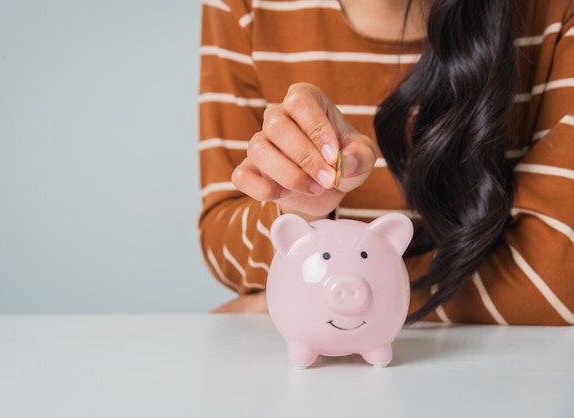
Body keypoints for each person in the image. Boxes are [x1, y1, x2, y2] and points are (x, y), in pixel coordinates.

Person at [197, 0, 574, 325]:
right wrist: (299, 211)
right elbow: (222, 238)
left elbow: (556, 281)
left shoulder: (557, 11)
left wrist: (311, 295)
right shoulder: (247, 7)